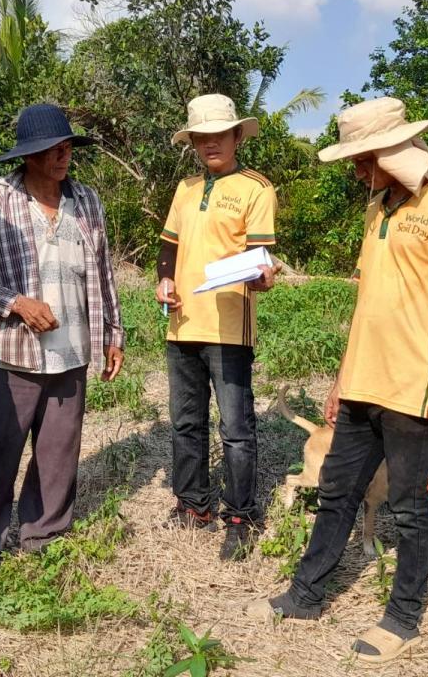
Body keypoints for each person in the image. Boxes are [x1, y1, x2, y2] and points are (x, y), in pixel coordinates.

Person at [245, 97, 428, 664]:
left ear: (389, 151)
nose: (354, 171)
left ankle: (402, 617)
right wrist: (340, 378)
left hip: (415, 387)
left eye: (361, 159)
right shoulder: (379, 208)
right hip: (362, 384)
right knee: (335, 492)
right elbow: (369, 301)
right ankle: (305, 595)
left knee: (407, 506)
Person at [0, 103, 125, 576]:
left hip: (71, 353)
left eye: (67, 146)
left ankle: (43, 536)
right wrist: (17, 303)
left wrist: (113, 333)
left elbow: (104, 274)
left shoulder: (86, 202)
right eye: (52, 149)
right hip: (14, 355)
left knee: (57, 457)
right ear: (28, 156)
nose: (63, 155)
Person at [156, 93, 277, 560]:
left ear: (236, 136)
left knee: (235, 427)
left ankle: (241, 515)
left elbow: (262, 259)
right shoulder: (186, 189)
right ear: (193, 143)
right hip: (182, 324)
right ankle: (191, 505)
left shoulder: (256, 189)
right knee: (186, 422)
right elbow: (169, 245)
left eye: (218, 136)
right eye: (201, 138)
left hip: (228, 328)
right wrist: (164, 278)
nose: (210, 145)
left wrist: (263, 277)